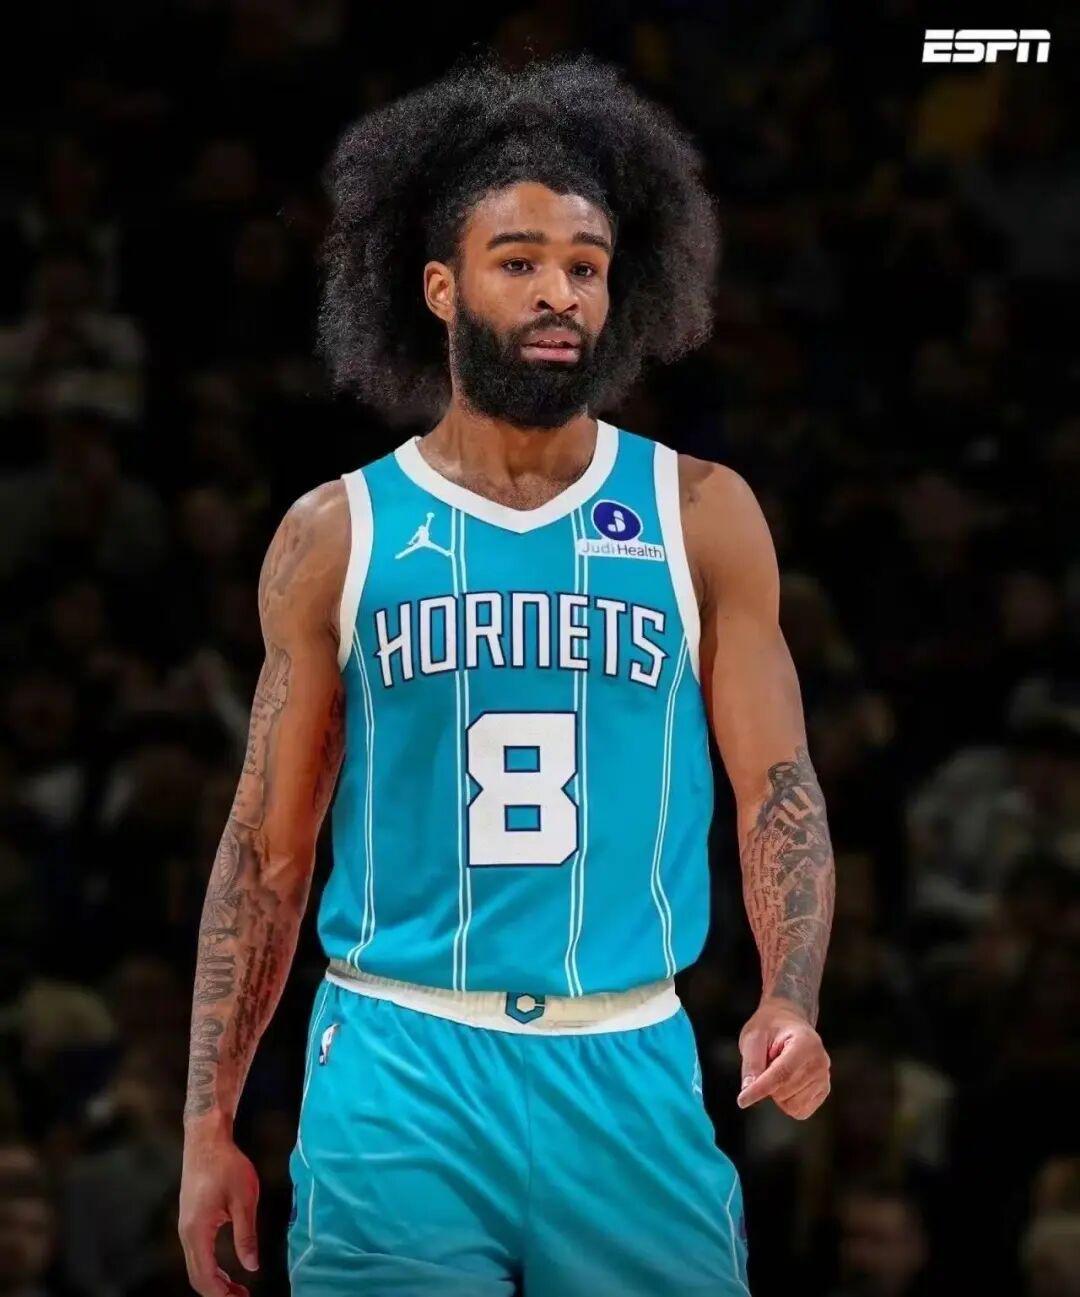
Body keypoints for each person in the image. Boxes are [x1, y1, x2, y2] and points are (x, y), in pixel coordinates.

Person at [178, 53, 834, 1297]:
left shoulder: (700, 512)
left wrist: (788, 995)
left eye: (585, 267)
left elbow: (779, 789)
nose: (557, 294)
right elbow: (266, 849)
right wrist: (208, 1122)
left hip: (628, 1053)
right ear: (441, 286)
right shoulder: (336, 534)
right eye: (519, 261)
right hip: (399, 1063)